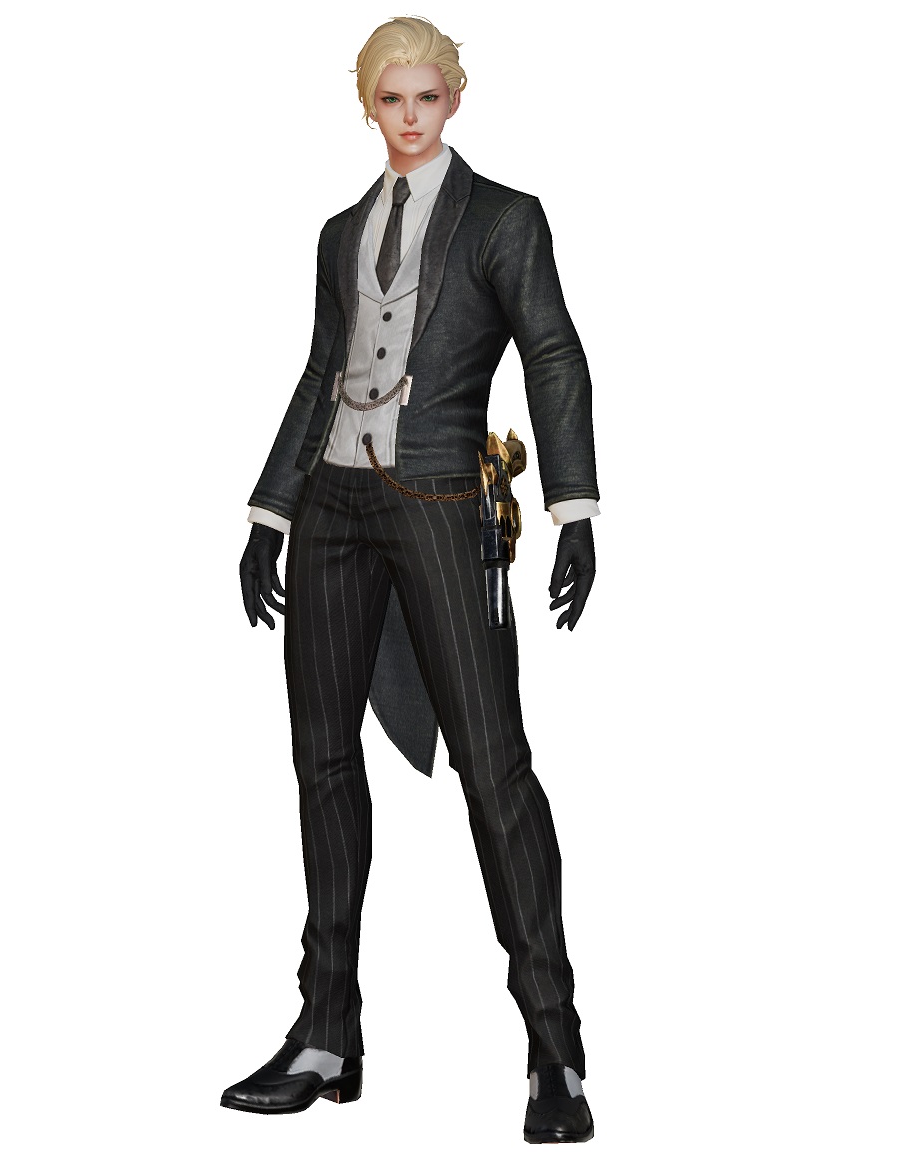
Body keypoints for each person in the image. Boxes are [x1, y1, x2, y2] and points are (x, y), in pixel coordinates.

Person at [224, 16, 600, 1144]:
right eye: (391, 99)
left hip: (440, 503)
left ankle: (555, 1049)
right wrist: (269, 510)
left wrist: (573, 507)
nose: (410, 118)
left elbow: (552, 349)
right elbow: (321, 370)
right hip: (332, 509)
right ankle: (326, 1033)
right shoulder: (341, 231)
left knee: (496, 767)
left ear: (454, 100)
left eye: (426, 97)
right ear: (368, 105)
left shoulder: (504, 218)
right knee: (322, 764)